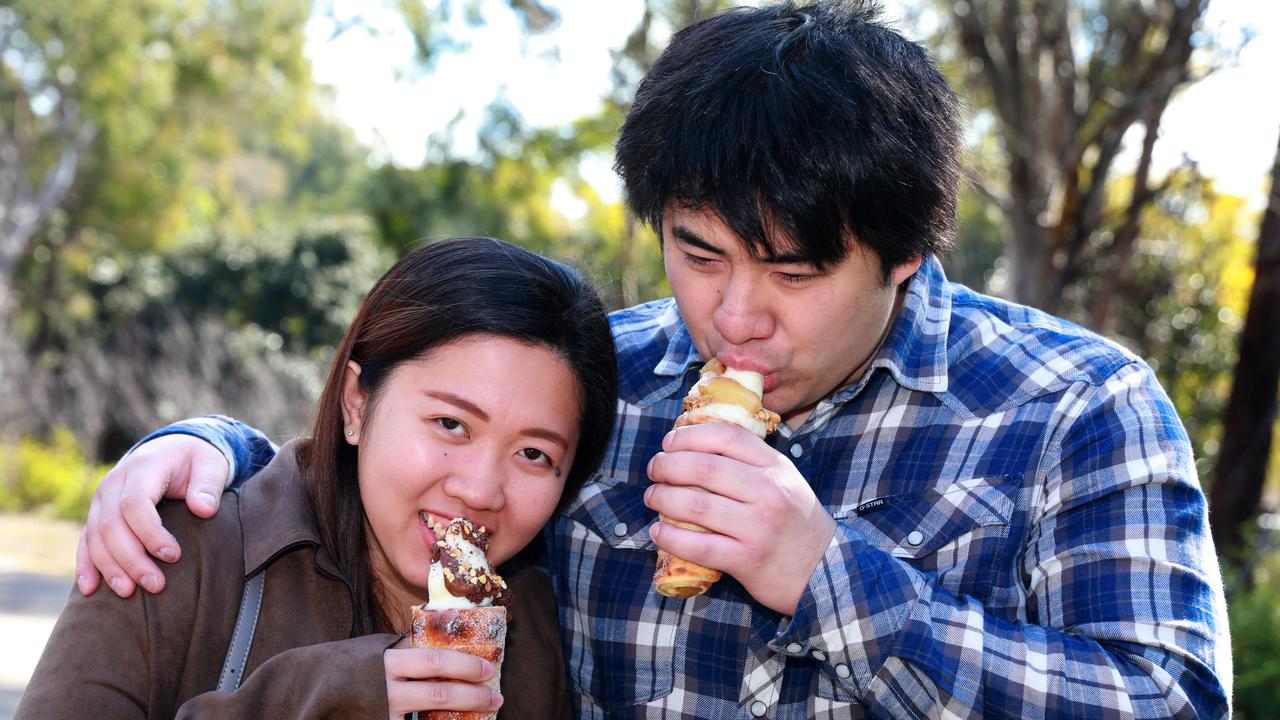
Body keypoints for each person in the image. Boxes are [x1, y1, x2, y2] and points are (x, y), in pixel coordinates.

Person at [71, 2, 1233, 718]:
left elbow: (1167, 705)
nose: (733, 319)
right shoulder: (600, 380)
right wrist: (199, 447)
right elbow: (411, 450)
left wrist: (827, 578)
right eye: (696, 253)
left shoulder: (1075, 406)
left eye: (792, 274)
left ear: (904, 260)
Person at [17, 236, 618, 719]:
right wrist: (324, 696)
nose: (481, 490)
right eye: (451, 423)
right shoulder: (170, 551)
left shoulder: (534, 622)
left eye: (535, 454)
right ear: (357, 404)